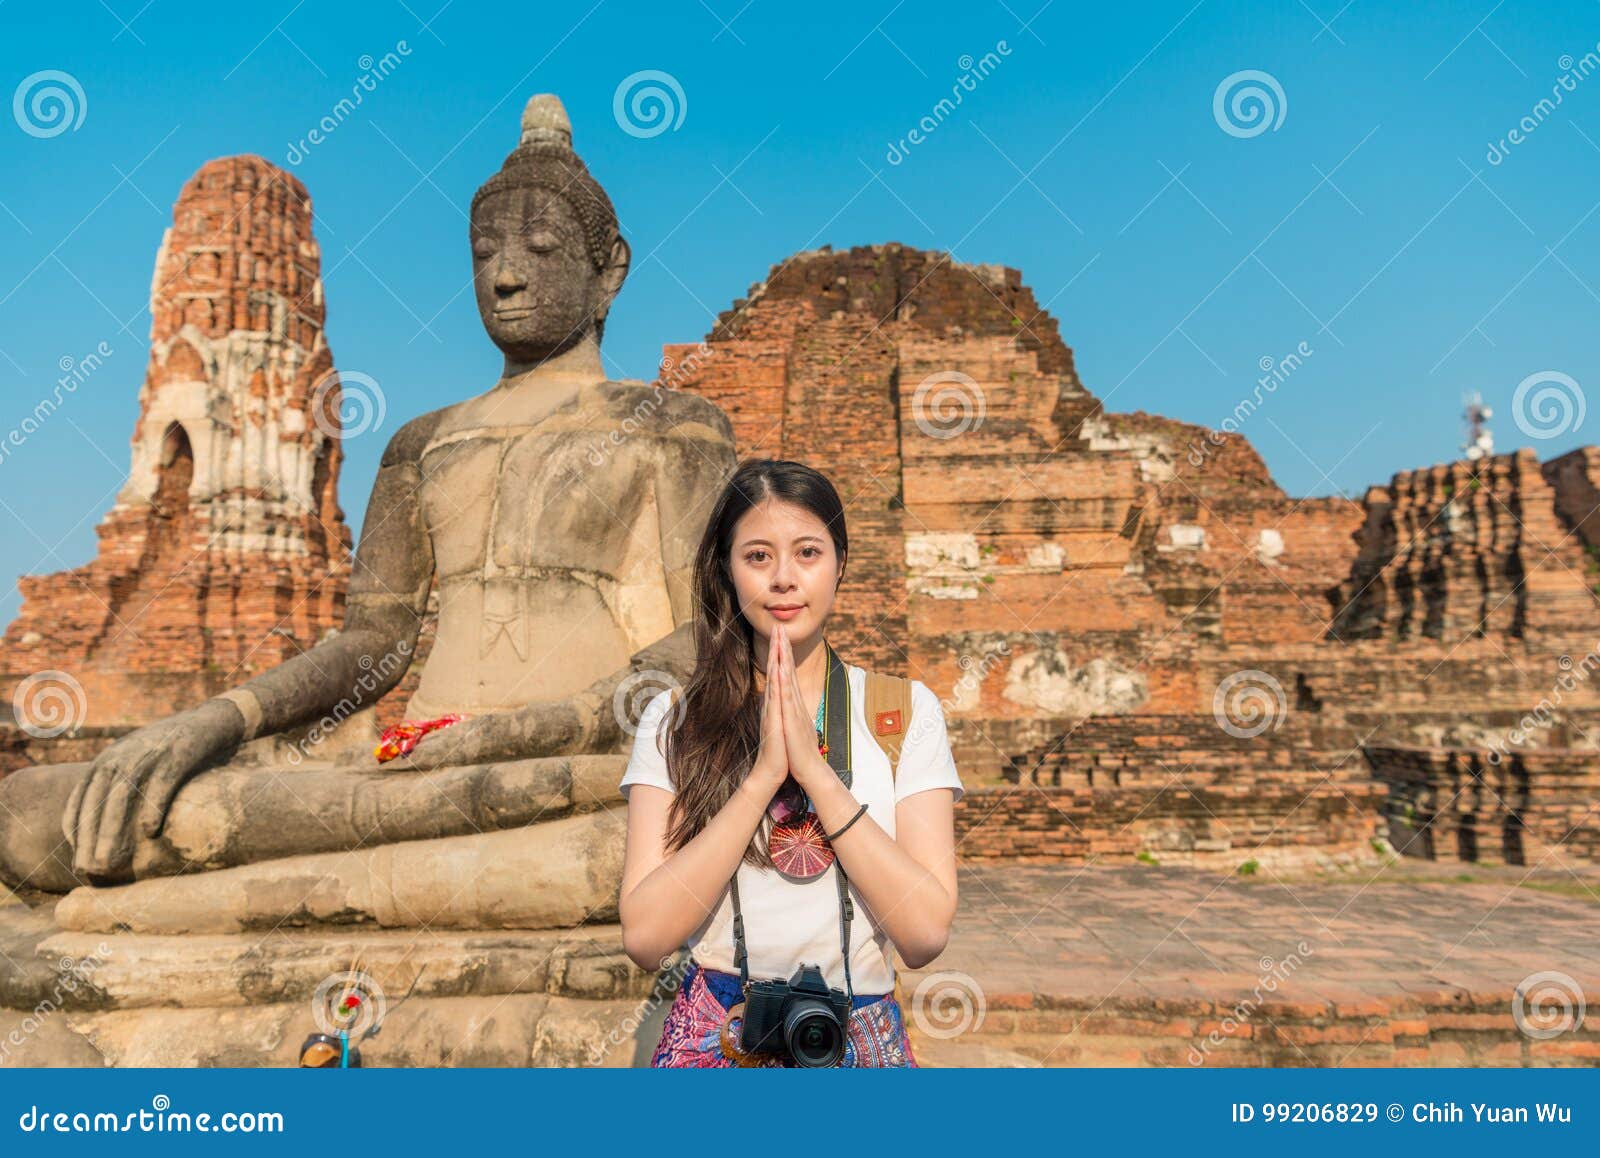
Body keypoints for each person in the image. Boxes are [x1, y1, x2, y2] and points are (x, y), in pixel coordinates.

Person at [618, 457, 965, 1067]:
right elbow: (646, 938)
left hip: (856, 1028)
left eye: (808, 552)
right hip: (717, 1033)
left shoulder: (904, 712)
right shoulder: (676, 720)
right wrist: (758, 782)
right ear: (726, 570)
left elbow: (924, 934)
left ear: (840, 565)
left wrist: (815, 772)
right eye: (757, 556)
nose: (783, 578)